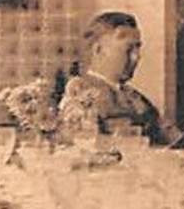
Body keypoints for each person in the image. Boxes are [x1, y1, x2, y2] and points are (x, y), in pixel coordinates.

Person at [57, 11, 171, 144]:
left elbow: (169, 137)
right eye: (128, 49)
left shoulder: (137, 97)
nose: (137, 57)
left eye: (137, 48)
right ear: (98, 50)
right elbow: (81, 143)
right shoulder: (81, 94)